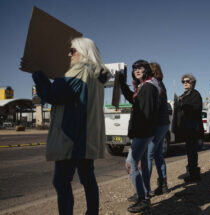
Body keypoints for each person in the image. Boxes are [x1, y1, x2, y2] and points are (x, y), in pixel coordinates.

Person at [21, 37, 111, 215]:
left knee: (61, 182)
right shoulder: (97, 75)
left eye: (72, 50)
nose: (68, 54)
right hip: (87, 136)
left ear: (84, 52)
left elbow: (54, 95)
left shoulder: (80, 70)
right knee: (87, 178)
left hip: (72, 136)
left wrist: (38, 73)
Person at [118, 60, 159, 213]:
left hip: (142, 133)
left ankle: (143, 199)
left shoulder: (147, 87)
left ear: (146, 70)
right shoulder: (143, 87)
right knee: (139, 165)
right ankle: (143, 195)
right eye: (135, 68)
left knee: (130, 164)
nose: (137, 70)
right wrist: (122, 82)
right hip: (143, 133)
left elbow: (146, 113)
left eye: (140, 67)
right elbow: (133, 100)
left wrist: (138, 134)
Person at [173, 74, 204, 182]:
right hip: (186, 128)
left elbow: (196, 109)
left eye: (187, 81)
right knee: (189, 151)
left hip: (193, 128)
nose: (185, 83)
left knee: (192, 151)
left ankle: (194, 174)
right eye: (183, 81)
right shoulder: (183, 95)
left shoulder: (195, 94)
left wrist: (184, 106)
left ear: (192, 82)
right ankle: (191, 172)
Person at [148, 62, 170, 195]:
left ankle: (144, 190)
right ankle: (163, 185)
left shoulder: (153, 84)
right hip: (163, 123)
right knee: (158, 155)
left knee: (148, 155)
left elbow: (153, 106)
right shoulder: (160, 83)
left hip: (157, 123)